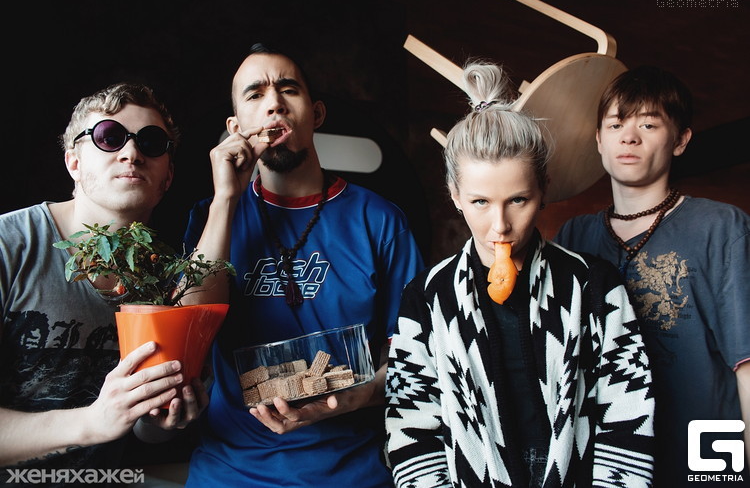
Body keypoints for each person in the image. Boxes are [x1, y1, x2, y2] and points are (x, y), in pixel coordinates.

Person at [385, 61, 655, 487]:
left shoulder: (594, 286)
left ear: (543, 189)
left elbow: (628, 413)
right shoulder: (427, 297)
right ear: (455, 196)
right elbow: (411, 425)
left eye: (518, 200)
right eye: (480, 202)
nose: (500, 225)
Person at [180, 43, 424, 487]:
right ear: (235, 128)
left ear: (316, 114)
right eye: (255, 94)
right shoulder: (211, 217)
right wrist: (227, 199)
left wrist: (355, 396)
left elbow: (416, 361)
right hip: (230, 472)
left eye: (288, 89)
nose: (274, 103)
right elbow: (189, 333)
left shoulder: (381, 222)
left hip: (353, 473)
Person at [0, 83, 205, 485]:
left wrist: (161, 418)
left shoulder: (165, 276)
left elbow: (144, 431)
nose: (132, 153)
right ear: (73, 162)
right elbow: (104, 421)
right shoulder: (10, 245)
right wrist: (94, 422)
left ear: (167, 177)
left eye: (151, 142)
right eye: (109, 137)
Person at [555, 66, 750, 484]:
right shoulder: (574, 236)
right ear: (598, 140)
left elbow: (747, 364)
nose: (629, 137)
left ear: (680, 140)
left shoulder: (721, 227)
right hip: (609, 458)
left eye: (648, 124)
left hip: (704, 450)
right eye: (616, 125)